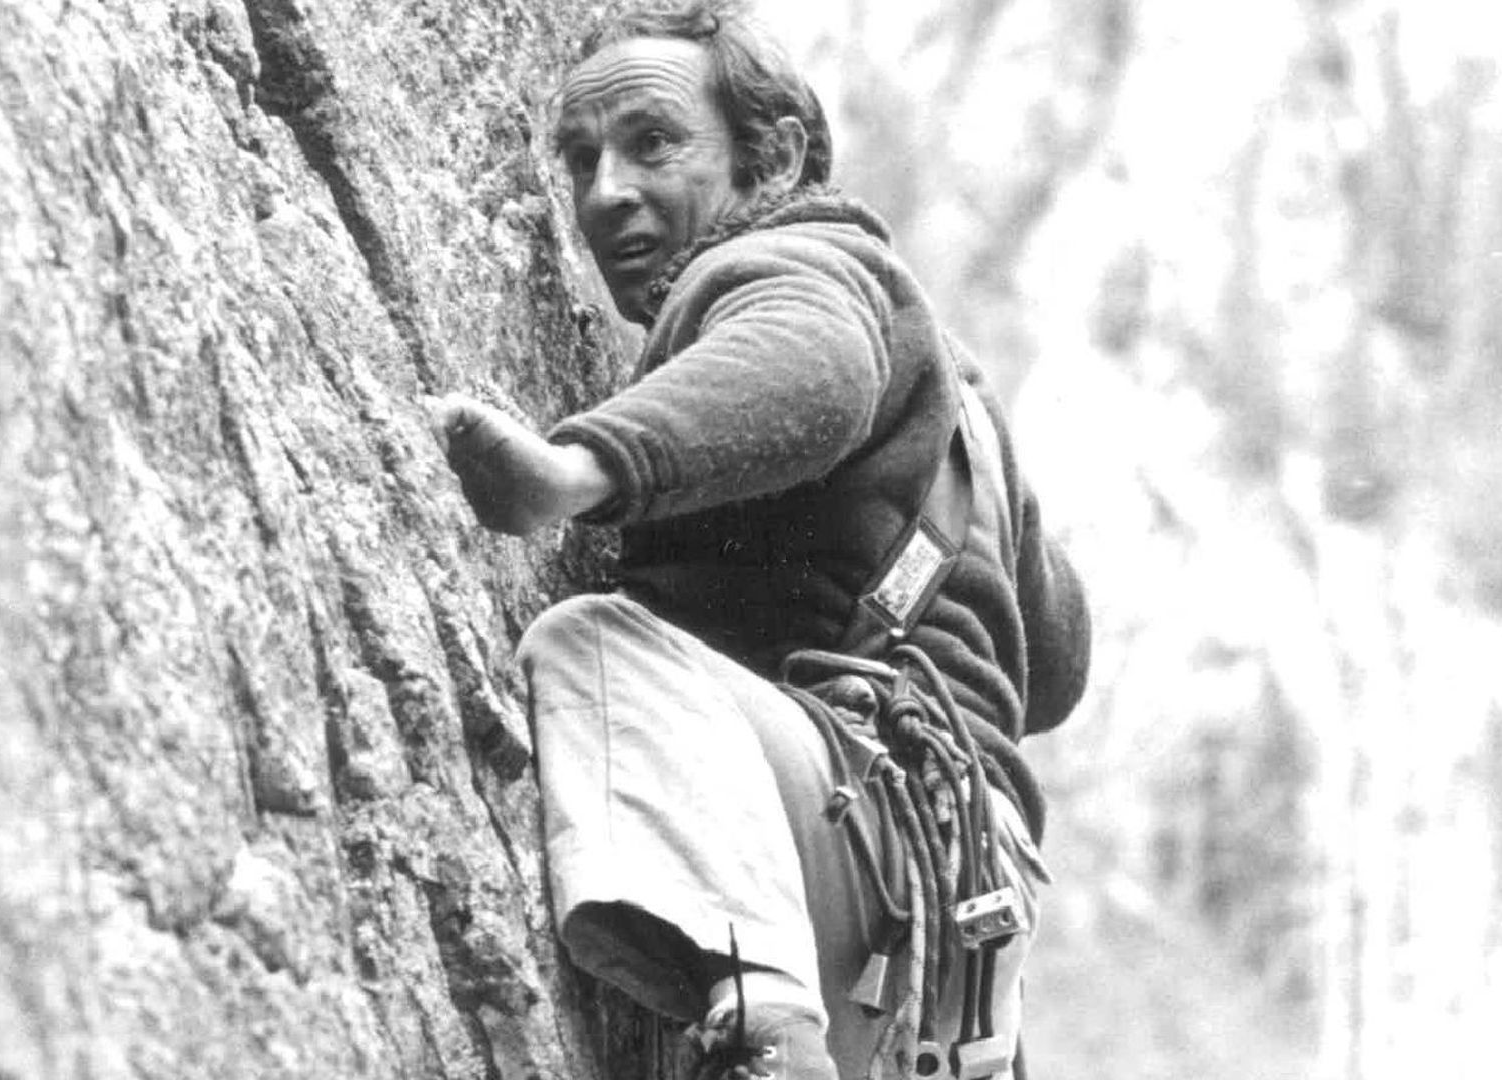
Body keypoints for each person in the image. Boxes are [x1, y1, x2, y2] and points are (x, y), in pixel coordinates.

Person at [428, 3, 1090, 1078]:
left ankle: (766, 1036)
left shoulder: (793, 269)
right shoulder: (961, 406)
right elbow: (1054, 671)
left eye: (653, 143)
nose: (607, 194)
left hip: (844, 846)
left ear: (771, 155)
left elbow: (809, 372)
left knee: (596, 649)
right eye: (583, 159)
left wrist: (581, 470)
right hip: (959, 927)